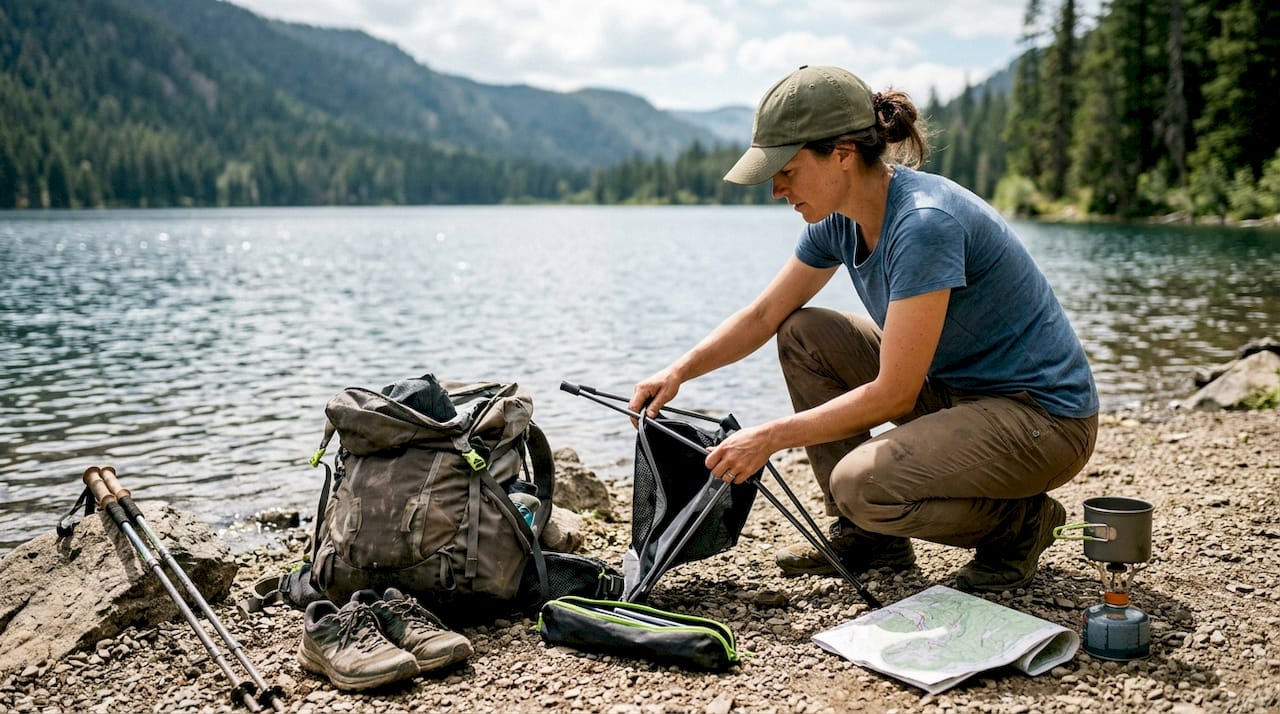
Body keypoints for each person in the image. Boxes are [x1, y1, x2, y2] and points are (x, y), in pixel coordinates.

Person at [629, 65, 1098, 593]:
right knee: (803, 333)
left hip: (1042, 421)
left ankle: (1021, 527)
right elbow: (764, 316)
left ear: (843, 154)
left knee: (859, 485)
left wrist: (768, 437)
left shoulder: (923, 224)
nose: (777, 189)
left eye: (787, 169)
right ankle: (870, 539)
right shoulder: (841, 217)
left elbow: (894, 394)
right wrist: (678, 372)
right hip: (956, 392)